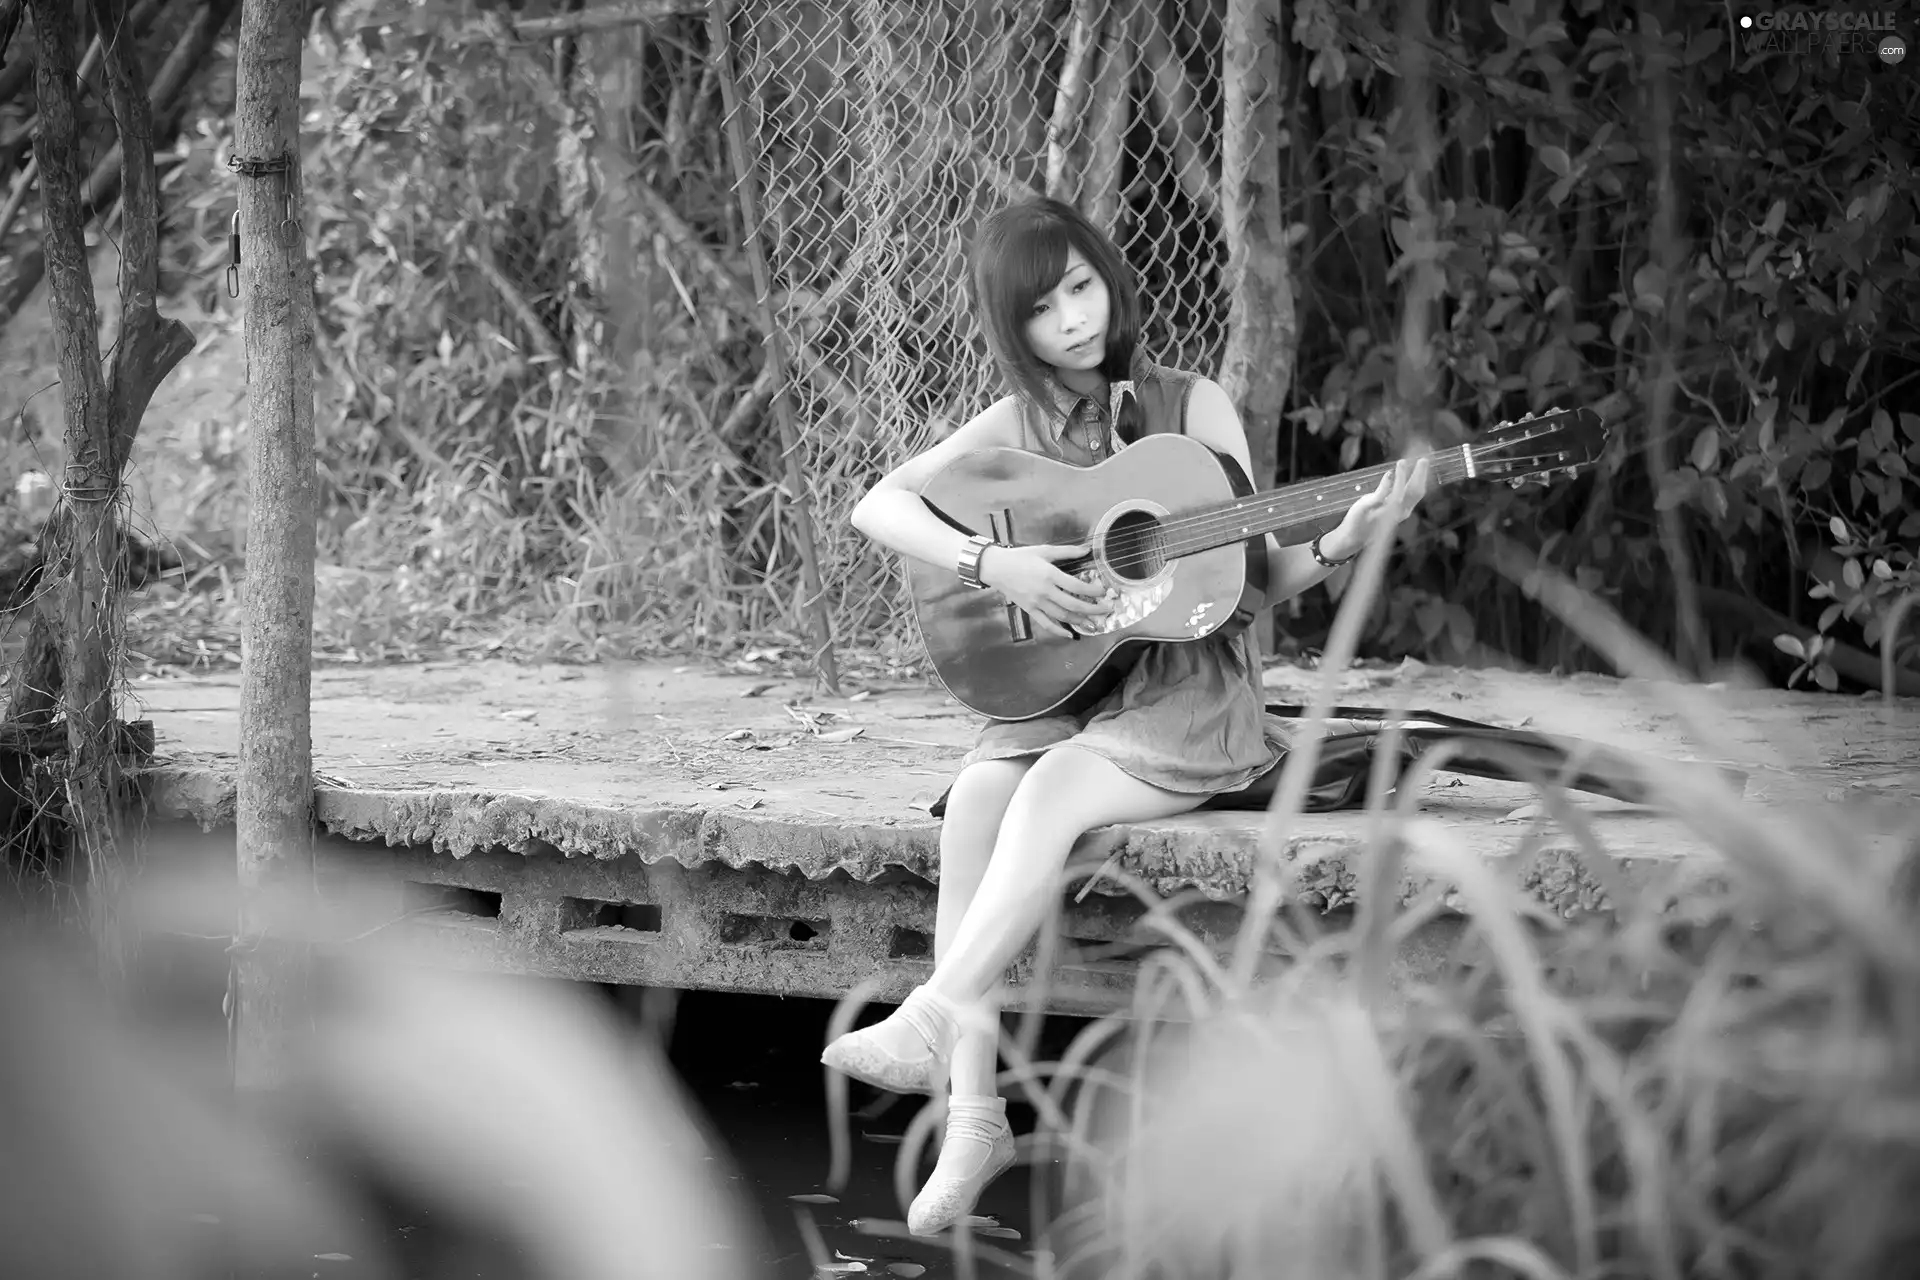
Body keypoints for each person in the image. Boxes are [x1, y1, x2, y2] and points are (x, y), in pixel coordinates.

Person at [827, 197, 1430, 1235]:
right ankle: (975, 1113)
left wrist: (1344, 538)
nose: (1071, 318)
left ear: (1109, 279)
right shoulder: (1014, 429)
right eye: (1041, 308)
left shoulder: (1193, 407)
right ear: (1011, 330)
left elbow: (1256, 577)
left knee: (1054, 786)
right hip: (1066, 686)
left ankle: (932, 1012)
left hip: (1185, 694)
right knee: (976, 797)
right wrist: (994, 559)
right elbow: (874, 503)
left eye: (1081, 286)